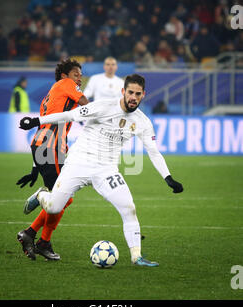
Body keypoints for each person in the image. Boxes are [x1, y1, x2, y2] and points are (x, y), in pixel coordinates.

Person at [19, 74, 184, 267]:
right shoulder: (103, 106)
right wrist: (37, 121)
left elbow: (153, 152)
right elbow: (69, 115)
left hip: (106, 170)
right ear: (123, 91)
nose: (133, 97)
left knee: (129, 207)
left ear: (143, 95)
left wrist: (168, 178)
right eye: (130, 92)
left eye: (137, 94)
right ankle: (41, 195)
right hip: (78, 163)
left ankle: (136, 256)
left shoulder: (143, 122)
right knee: (54, 207)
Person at [16, 59, 89, 260]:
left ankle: (35, 237)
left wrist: (34, 168)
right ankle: (38, 237)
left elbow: (42, 126)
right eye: (76, 75)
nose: (79, 79)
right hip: (52, 147)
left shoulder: (51, 94)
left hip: (45, 147)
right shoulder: (66, 85)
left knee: (65, 198)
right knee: (63, 197)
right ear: (65, 76)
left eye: (81, 76)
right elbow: (86, 107)